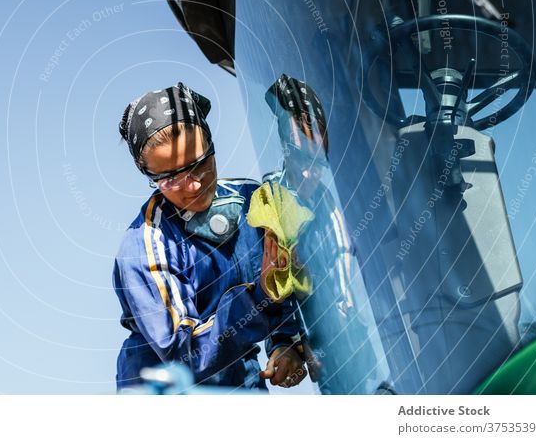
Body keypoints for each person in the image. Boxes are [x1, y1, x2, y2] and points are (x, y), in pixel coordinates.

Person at [113, 82, 308, 391]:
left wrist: (284, 343)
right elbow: (184, 355)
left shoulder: (253, 202)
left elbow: (280, 279)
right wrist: (260, 296)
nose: (192, 185)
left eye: (199, 164)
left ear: (211, 143)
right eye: (169, 178)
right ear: (149, 176)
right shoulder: (144, 248)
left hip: (240, 385)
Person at [263, 74, 382, 394]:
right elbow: (271, 289)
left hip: (356, 344)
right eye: (301, 159)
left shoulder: (330, 203)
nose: (308, 173)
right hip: (312, 355)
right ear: (285, 151)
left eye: (317, 163)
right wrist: (293, 344)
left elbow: (350, 262)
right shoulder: (271, 202)